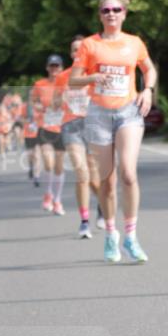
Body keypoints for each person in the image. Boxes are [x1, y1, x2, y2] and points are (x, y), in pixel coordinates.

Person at [70, 0, 157, 263]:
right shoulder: (89, 45)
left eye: (116, 9)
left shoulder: (134, 43)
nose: (111, 14)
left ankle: (131, 235)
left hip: (128, 112)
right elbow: (73, 80)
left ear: (124, 13)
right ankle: (111, 233)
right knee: (107, 180)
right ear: (100, 14)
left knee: (128, 174)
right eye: (106, 10)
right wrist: (93, 76)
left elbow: (149, 69)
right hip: (98, 113)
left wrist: (149, 90)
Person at [55, 36, 102, 239]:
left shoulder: (95, 73)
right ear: (71, 53)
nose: (77, 52)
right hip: (71, 126)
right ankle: (84, 221)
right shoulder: (63, 77)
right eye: (74, 50)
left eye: (80, 49)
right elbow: (55, 104)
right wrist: (60, 98)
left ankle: (102, 206)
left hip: (93, 125)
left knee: (95, 180)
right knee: (81, 173)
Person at [31, 56, 66, 215]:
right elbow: (34, 102)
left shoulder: (66, 84)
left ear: (61, 68)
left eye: (57, 66)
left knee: (58, 166)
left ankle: (57, 200)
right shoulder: (40, 84)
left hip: (62, 128)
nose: (54, 69)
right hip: (45, 127)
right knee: (48, 162)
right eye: (51, 66)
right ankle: (48, 194)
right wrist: (42, 107)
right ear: (47, 68)